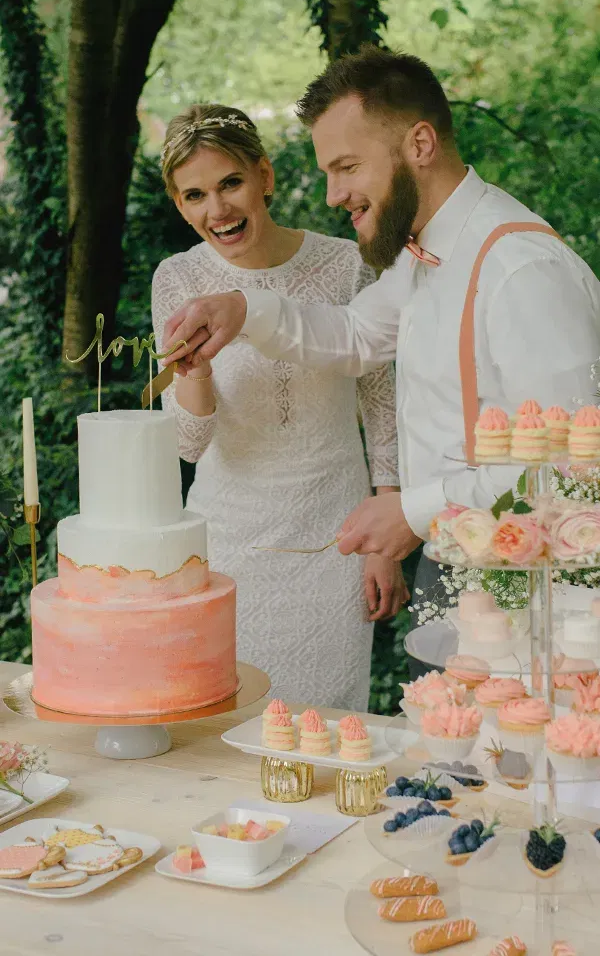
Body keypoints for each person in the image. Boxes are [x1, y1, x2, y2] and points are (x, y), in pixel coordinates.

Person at [160, 50, 600, 678]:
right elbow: (356, 334)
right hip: (451, 556)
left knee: (510, 768)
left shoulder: (521, 269)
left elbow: (572, 472)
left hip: (538, 594)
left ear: (419, 143)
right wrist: (243, 309)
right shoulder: (425, 255)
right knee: (445, 764)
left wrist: (412, 511)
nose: (335, 194)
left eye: (347, 167)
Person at [152, 102, 406, 710]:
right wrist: (197, 375)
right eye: (194, 196)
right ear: (180, 207)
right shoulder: (178, 279)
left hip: (333, 542)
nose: (218, 210)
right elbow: (185, 445)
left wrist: (384, 539)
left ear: (264, 175)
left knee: (325, 728)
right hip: (228, 545)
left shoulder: (345, 265)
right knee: (223, 726)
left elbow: (383, 404)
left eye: (230, 183)